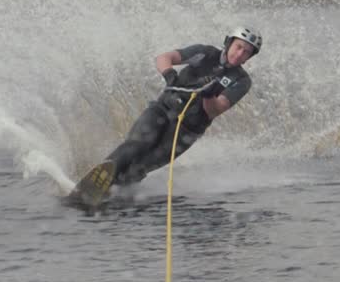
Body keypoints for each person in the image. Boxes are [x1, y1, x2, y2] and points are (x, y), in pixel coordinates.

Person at [69, 26, 262, 206]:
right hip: (162, 109)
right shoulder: (204, 53)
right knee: (137, 145)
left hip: (186, 130)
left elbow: (216, 109)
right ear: (229, 43)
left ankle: (110, 196)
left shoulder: (241, 81)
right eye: (238, 47)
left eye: (246, 52)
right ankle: (93, 183)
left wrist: (209, 94)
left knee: (141, 168)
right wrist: (170, 75)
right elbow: (164, 58)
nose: (240, 54)